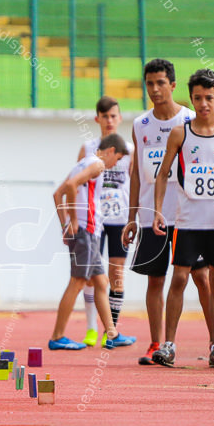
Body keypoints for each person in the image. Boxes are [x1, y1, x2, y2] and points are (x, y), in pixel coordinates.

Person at [151, 69, 214, 368]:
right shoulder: (181, 132)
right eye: (197, 98)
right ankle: (169, 344)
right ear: (191, 99)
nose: (203, 104)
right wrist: (157, 211)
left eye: (208, 98)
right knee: (179, 277)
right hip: (188, 221)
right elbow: (163, 173)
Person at [122, 59, 212, 365]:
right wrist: (132, 215)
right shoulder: (139, 125)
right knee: (156, 280)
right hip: (152, 215)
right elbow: (136, 173)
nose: (155, 89)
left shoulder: (190, 120)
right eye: (150, 84)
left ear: (172, 85)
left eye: (161, 83)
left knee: (201, 277)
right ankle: (156, 343)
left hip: (188, 216)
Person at [49, 133, 137, 350]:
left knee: (101, 282)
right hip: (86, 231)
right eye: (116, 160)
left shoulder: (82, 163)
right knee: (77, 282)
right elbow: (70, 186)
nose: (114, 165)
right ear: (110, 152)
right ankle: (57, 336)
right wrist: (75, 220)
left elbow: (56, 194)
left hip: (87, 232)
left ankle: (112, 332)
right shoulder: (97, 164)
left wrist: (65, 225)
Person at [76, 96, 130, 346]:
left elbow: (135, 182)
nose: (109, 121)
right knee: (91, 275)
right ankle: (90, 329)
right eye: (105, 116)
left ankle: (113, 332)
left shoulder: (128, 149)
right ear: (97, 118)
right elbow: (76, 182)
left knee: (116, 274)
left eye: (114, 116)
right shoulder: (88, 148)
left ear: (120, 118)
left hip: (119, 218)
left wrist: (134, 216)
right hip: (93, 220)